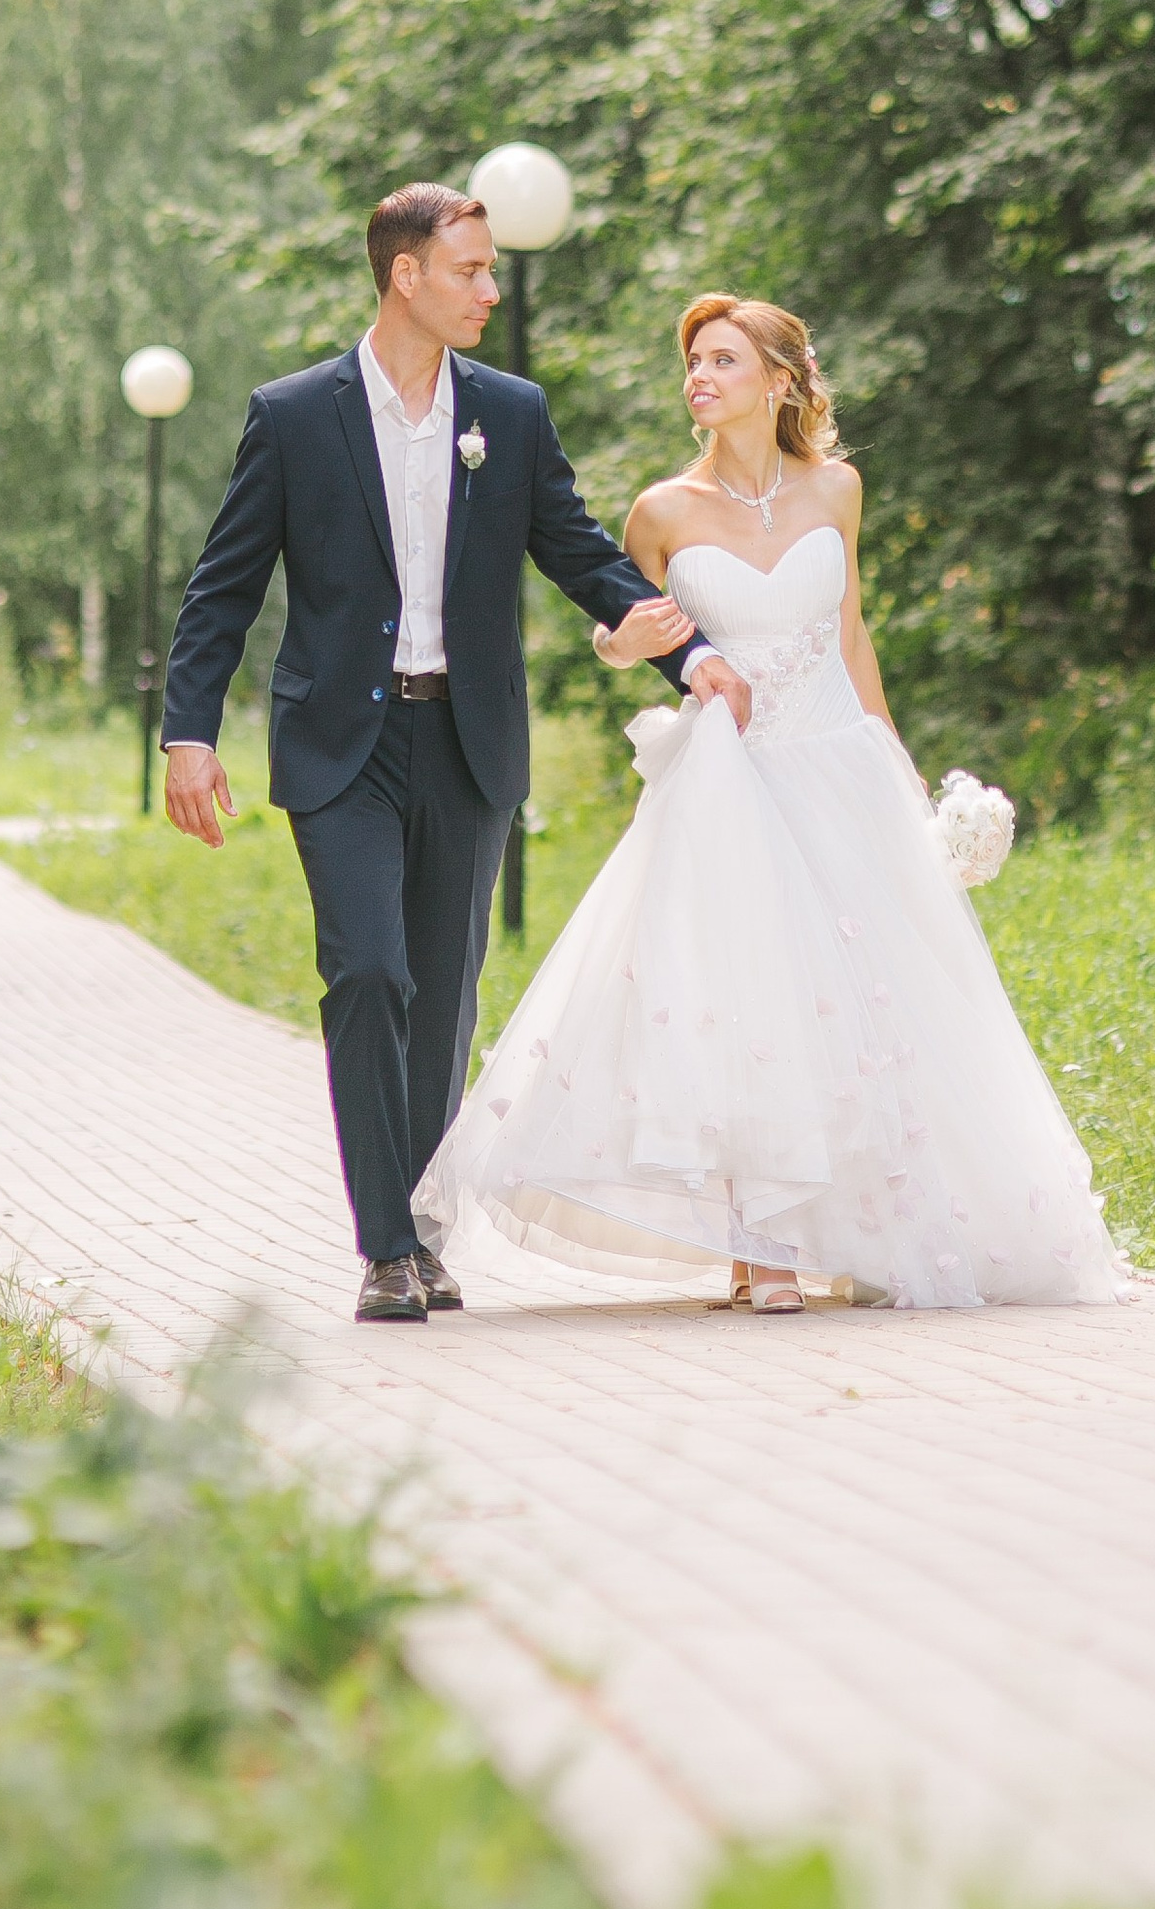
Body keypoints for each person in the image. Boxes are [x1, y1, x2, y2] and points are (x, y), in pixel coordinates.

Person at [414, 295, 1125, 1314]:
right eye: (693, 361)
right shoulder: (663, 510)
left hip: (839, 765)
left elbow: (851, 632)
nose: (699, 377)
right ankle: (762, 1251)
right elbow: (620, 631)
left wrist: (895, 762)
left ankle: (875, 1234)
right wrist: (627, 641)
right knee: (744, 1000)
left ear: (778, 382)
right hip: (730, 780)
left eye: (723, 360)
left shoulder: (837, 487)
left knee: (876, 1005)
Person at [158, 185, 753, 1323]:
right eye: (470, 271)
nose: (489, 290)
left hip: (468, 740)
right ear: (405, 277)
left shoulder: (510, 414)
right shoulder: (294, 415)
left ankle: (425, 1228)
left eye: (487, 270)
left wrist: (688, 656)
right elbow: (222, 586)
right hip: (343, 744)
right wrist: (190, 731)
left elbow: (578, 551)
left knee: (441, 999)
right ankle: (384, 1245)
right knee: (369, 973)